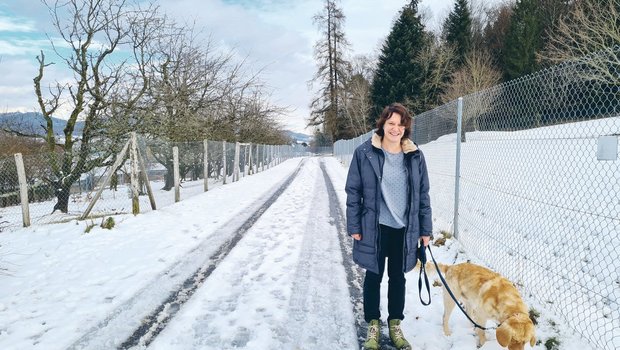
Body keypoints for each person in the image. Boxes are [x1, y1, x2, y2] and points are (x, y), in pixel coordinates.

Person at [345, 103, 432, 350]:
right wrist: (354, 224)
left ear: (406, 128)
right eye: (391, 123)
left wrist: (425, 230)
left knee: (397, 278)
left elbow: (423, 194)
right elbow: (354, 191)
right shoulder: (365, 153)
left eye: (400, 124)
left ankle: (395, 323)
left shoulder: (415, 155)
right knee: (373, 277)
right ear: (382, 124)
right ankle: (373, 323)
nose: (395, 128)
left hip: (404, 229)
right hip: (374, 227)